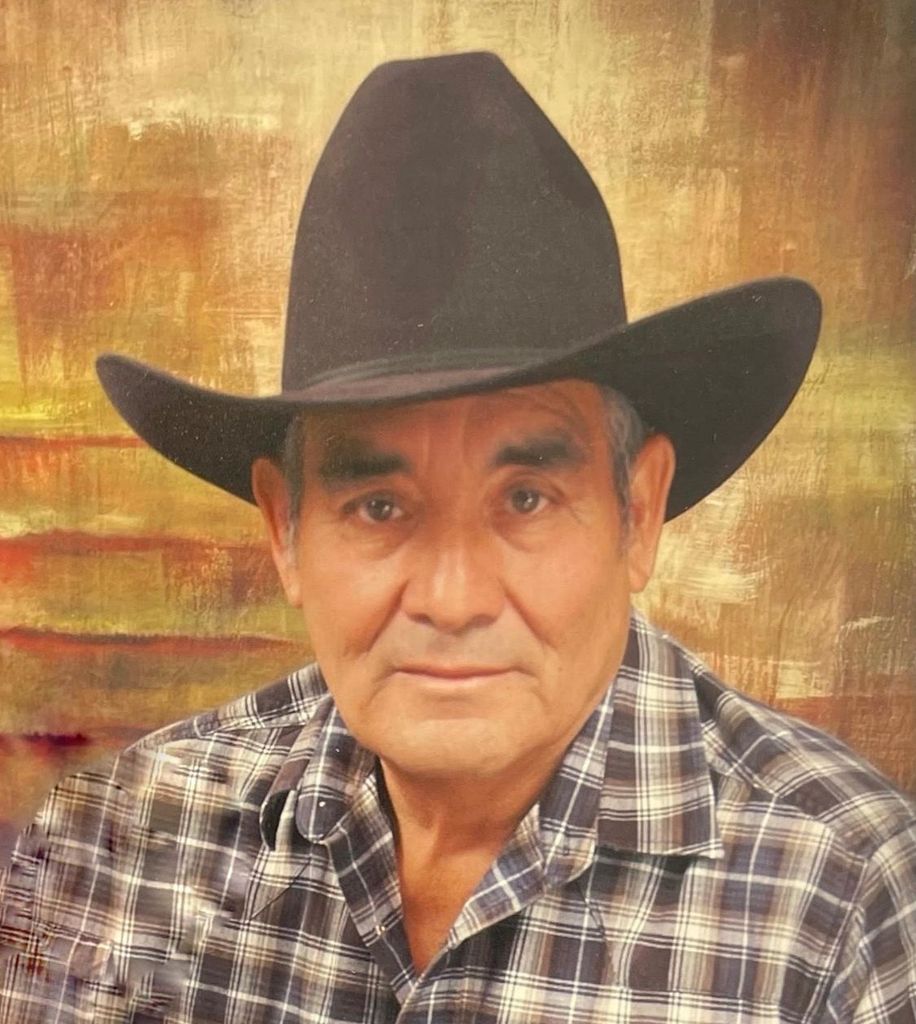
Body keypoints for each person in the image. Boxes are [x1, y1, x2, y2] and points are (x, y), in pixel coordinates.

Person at [1, 51, 913, 1024]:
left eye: (525, 499)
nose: (452, 596)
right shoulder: (121, 850)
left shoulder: (846, 900)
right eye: (379, 507)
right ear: (284, 528)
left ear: (639, 512)